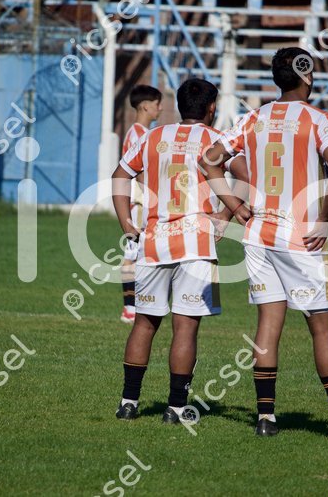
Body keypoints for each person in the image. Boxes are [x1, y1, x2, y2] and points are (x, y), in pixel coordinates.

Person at [200, 47, 328, 441]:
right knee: (323, 329)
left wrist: (235, 206)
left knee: (268, 324)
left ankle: (266, 419)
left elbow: (209, 159)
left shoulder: (253, 118)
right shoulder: (318, 119)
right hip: (300, 237)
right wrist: (324, 219)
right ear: (307, 76)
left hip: (259, 234)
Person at [111, 78, 227, 425]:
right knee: (185, 329)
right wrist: (225, 215)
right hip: (196, 242)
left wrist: (126, 223)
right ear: (211, 108)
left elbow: (120, 176)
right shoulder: (214, 139)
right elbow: (246, 177)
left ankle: (128, 403)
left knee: (144, 324)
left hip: (154, 241)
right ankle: (175, 409)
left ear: (178, 105)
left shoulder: (153, 137)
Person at [120, 85, 163, 325]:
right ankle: (130, 308)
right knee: (133, 255)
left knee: (136, 254)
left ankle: (135, 306)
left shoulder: (139, 132)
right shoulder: (139, 134)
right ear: (145, 106)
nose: (161, 108)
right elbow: (140, 172)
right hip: (140, 203)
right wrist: (156, 196)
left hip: (140, 202)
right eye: (157, 104)